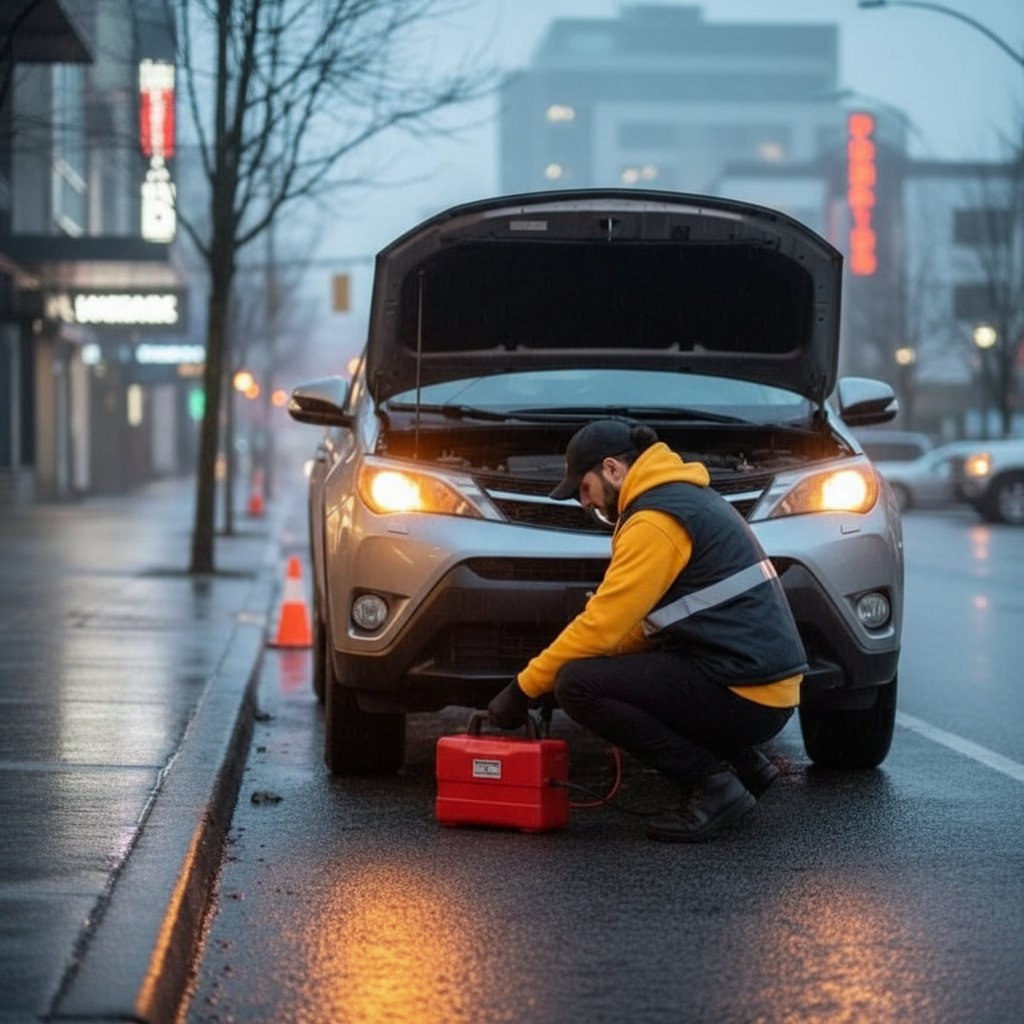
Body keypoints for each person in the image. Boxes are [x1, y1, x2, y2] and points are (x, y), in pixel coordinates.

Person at [488, 419, 806, 842]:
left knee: (577, 685)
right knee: (622, 670)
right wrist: (604, 656)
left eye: (584, 488)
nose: (584, 503)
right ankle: (747, 766)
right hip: (759, 682)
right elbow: (643, 625)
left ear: (612, 470)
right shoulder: (682, 499)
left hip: (748, 692)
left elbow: (601, 625)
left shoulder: (655, 519)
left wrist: (522, 689)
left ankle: (715, 786)